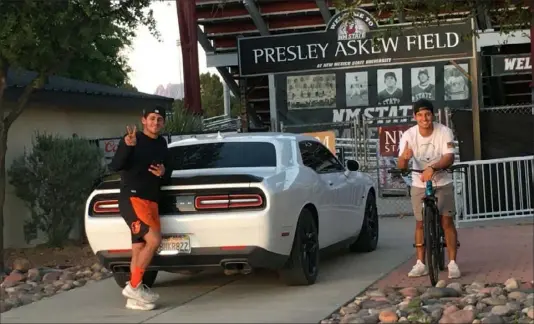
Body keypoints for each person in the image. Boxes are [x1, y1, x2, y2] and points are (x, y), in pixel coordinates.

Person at [109, 106, 171, 310]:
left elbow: (168, 171)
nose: (155, 122)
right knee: (154, 240)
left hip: (151, 201)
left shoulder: (162, 143)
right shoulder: (132, 139)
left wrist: (163, 171)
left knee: (139, 248)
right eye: (152, 118)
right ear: (143, 120)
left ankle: (134, 300)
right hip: (133, 199)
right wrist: (127, 145)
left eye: (159, 119)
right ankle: (134, 286)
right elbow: (116, 165)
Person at [397, 99, 461, 279]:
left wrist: (433, 168)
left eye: (427, 114)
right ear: (415, 117)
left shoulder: (444, 131)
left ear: (432, 115)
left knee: (446, 222)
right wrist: (404, 158)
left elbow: (449, 157)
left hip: (442, 181)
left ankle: (453, 263)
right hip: (419, 183)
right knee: (420, 223)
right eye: (420, 115)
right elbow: (401, 165)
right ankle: (420, 263)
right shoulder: (409, 135)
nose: (424, 118)